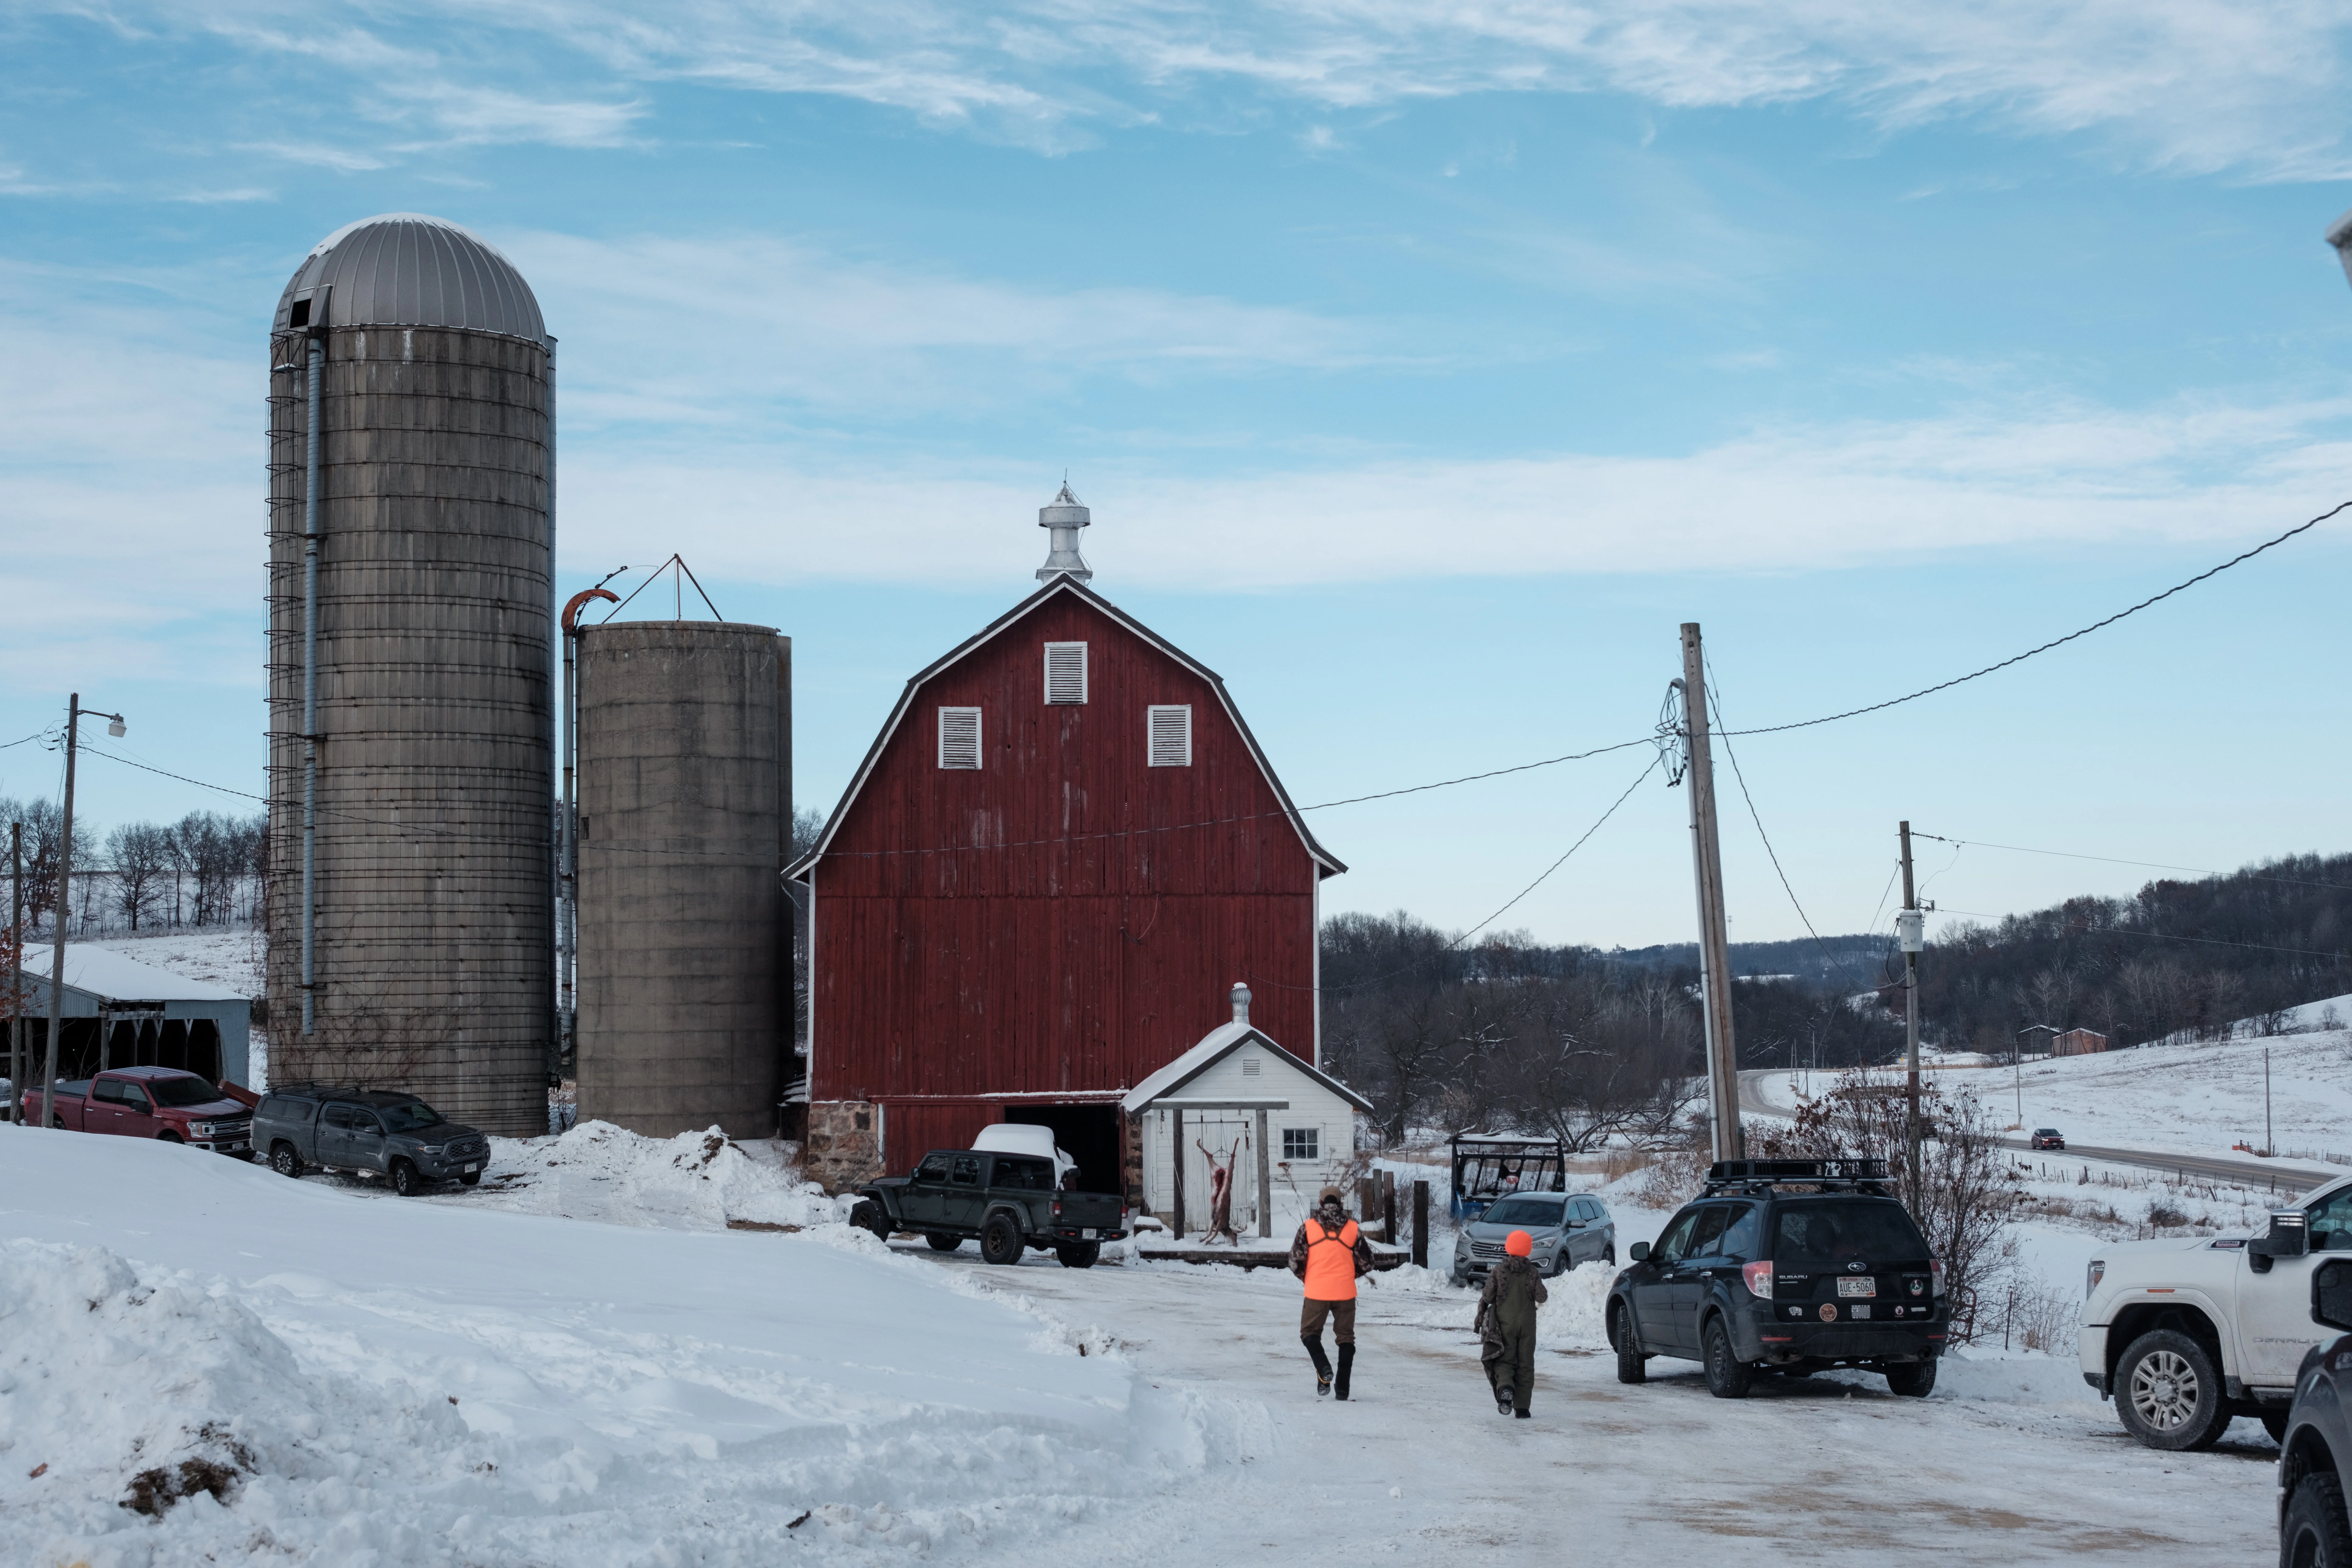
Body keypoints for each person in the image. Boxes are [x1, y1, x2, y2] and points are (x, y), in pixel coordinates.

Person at [1289, 1185, 1374, 1400]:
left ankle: (1324, 1367)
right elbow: (1368, 1262)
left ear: (1320, 1204)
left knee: (1309, 1333)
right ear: (1340, 1204)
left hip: (1317, 1291)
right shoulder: (1353, 1229)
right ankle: (1343, 1389)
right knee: (1346, 1338)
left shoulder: (1308, 1228)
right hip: (1345, 1293)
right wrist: (1348, 1275)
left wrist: (1307, 1277)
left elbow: (1294, 1262)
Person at [1474, 1229, 1548, 1419]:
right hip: (1528, 1325)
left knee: (1505, 1360)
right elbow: (1542, 1296)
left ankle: (1506, 1388)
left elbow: (1488, 1296)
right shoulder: (1533, 1272)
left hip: (1505, 1323)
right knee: (1526, 1364)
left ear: (1508, 1248)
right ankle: (1523, 1409)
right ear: (1528, 1250)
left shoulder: (1499, 1271)